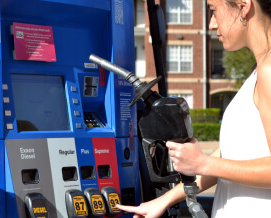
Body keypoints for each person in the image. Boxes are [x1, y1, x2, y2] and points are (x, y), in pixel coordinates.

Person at [116, 0, 271, 217]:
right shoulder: (258, 71)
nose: (211, 24)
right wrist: (165, 199)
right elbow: (231, 156)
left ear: (243, 6)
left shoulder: (269, 71)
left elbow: (215, 165)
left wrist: (204, 162)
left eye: (214, 11)